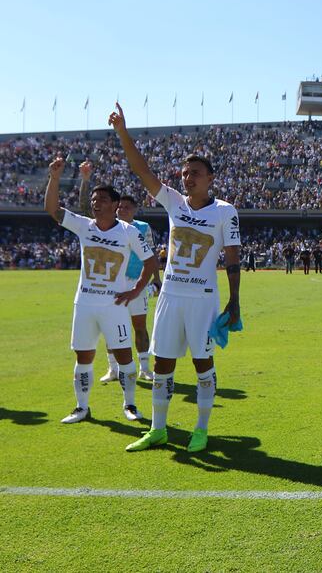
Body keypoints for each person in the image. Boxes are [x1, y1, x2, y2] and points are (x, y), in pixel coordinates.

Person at [109, 103, 242, 453]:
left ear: (210, 179)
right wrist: (123, 133)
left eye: (195, 173)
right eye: (185, 173)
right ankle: (158, 428)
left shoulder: (225, 211)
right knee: (163, 363)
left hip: (203, 299)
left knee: (203, 363)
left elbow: (232, 258)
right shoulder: (174, 202)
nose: (188, 178)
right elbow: (142, 171)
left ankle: (201, 428)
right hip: (170, 295)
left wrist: (234, 300)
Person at [44, 156, 157, 424]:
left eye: (102, 199)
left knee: (124, 356)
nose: (96, 203)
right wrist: (55, 177)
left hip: (114, 306)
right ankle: (82, 407)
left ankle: (130, 405)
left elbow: (151, 262)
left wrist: (135, 291)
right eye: (94, 200)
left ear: (116, 205)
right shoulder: (84, 226)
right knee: (83, 356)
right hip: (84, 304)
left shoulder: (129, 232)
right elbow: (52, 209)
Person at [80, 162, 162, 384]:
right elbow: (84, 210)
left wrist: (156, 280)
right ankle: (113, 368)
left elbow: (151, 255)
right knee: (110, 327)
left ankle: (144, 367)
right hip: (113, 283)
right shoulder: (103, 226)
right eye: (120, 207)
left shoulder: (142, 228)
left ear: (134, 209)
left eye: (127, 207)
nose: (123, 210)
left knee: (139, 326)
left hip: (136, 283)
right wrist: (85, 180)